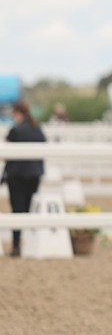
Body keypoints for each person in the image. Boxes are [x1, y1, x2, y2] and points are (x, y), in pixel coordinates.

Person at [3, 101, 47, 257]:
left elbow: (6, 154)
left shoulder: (15, 131)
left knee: (17, 210)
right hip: (34, 174)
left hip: (16, 176)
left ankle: (16, 246)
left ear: (17, 113)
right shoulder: (38, 130)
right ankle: (29, 244)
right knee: (29, 209)